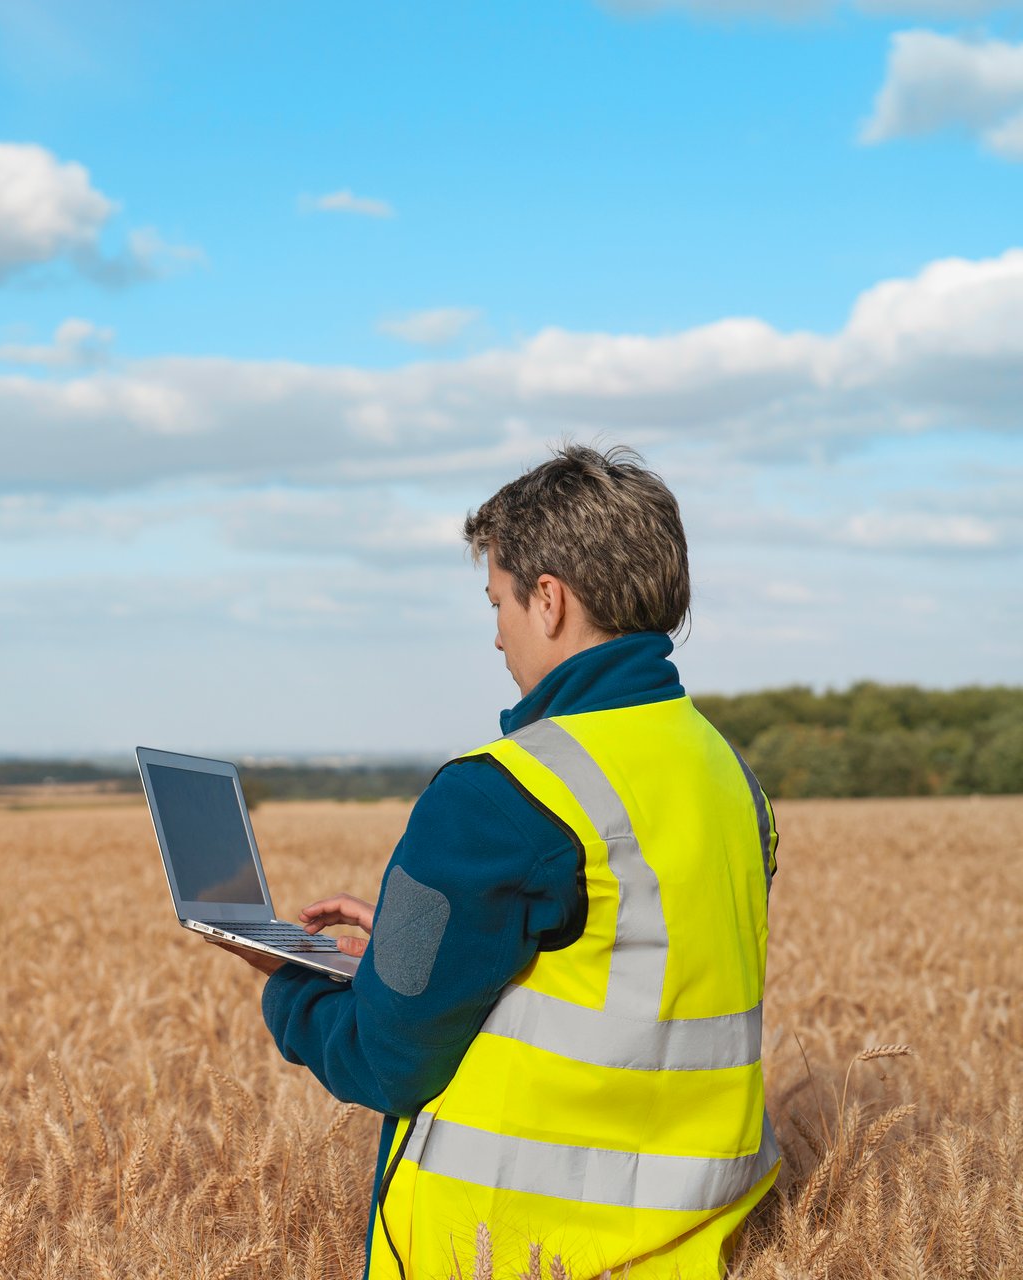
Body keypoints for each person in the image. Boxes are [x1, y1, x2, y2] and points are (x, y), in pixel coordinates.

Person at [212, 444, 779, 1280]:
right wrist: (421, 945)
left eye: (499, 602)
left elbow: (384, 1057)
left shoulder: (498, 796)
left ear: (548, 601)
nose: (496, 635)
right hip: (696, 1242)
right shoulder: (730, 774)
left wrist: (289, 978)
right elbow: (623, 973)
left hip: (510, 1250)